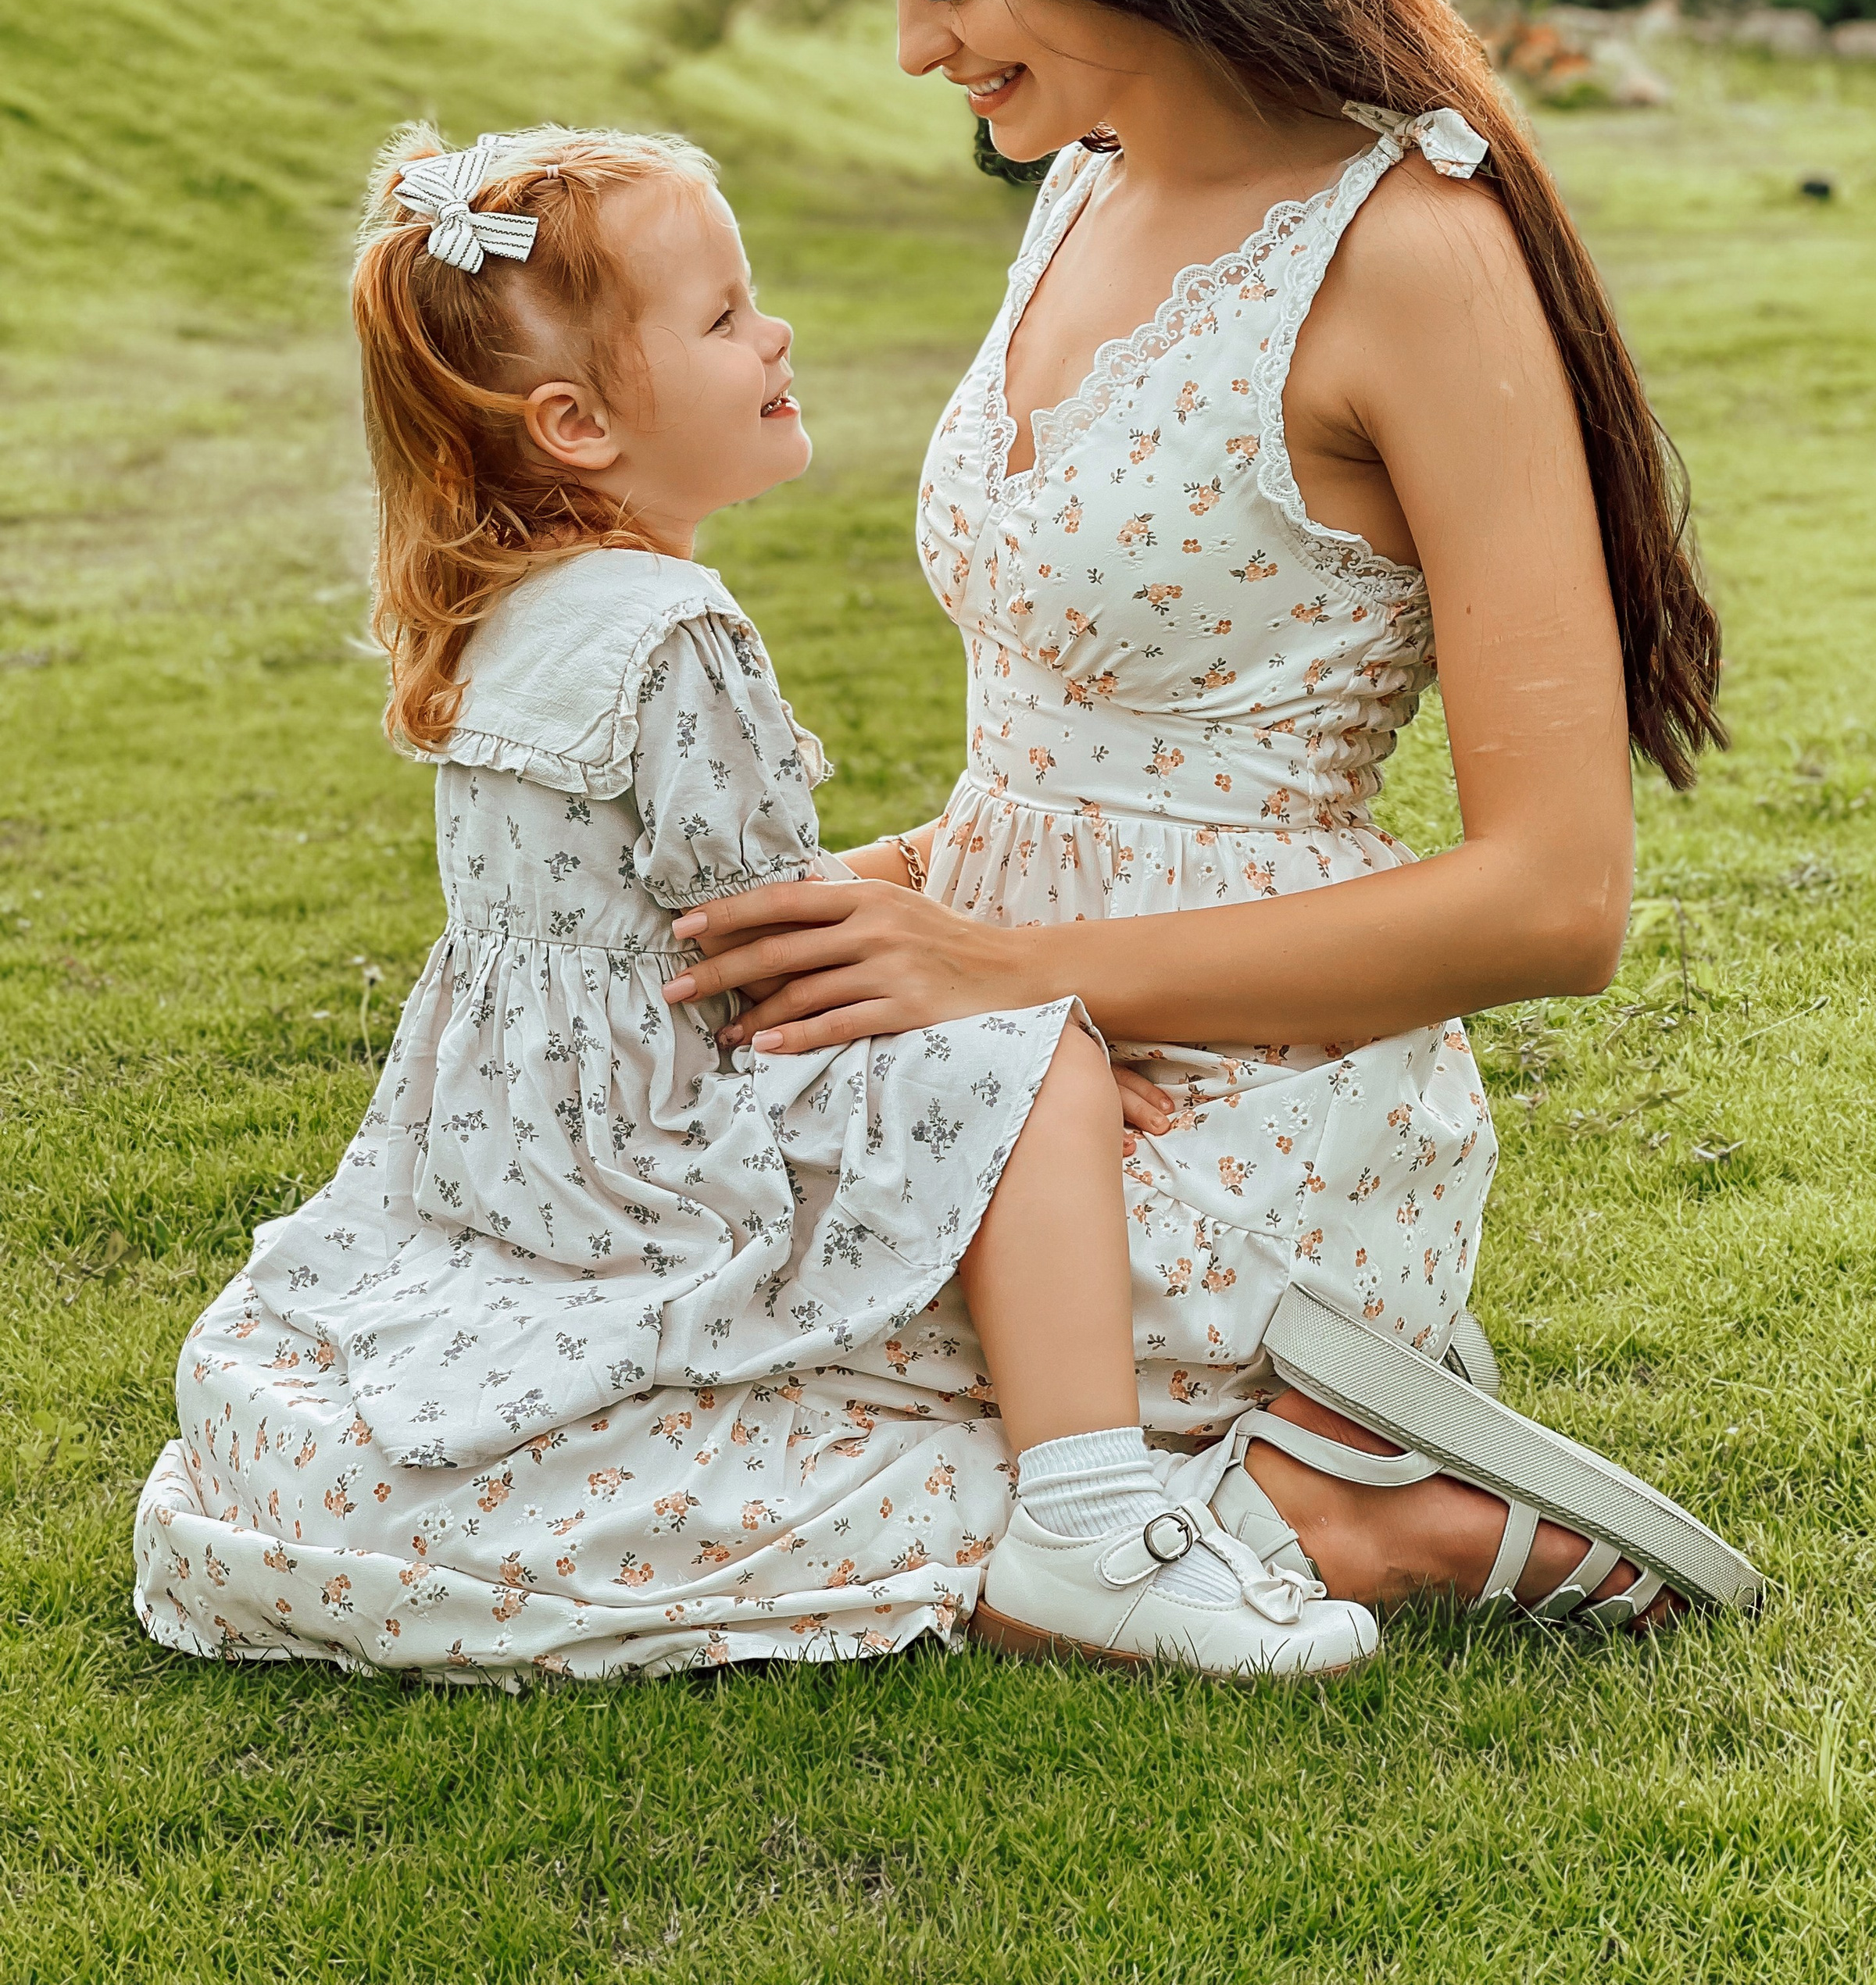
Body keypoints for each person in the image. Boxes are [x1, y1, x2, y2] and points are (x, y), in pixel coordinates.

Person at [656, 0, 1761, 1629]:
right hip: (1023, 1047)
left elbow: (1558, 900)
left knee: (680, 1446)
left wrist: (1011, 967)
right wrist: (864, 903)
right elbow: (1081, 746)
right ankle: (1272, 1493)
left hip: (1241, 1112)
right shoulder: (1081, 185)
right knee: (569, 1300)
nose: (917, 49)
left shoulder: (1413, 251)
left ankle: (1361, 1485)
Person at [132, 121, 1378, 1680]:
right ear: (578, 424)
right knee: (1036, 1058)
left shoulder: (509, 618)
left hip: (527, 1141)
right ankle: (1087, 1521)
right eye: (721, 317)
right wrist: (1014, 1063)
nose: (771, 331)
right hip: (674, 1115)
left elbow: (628, 919)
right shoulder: (676, 634)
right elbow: (764, 940)